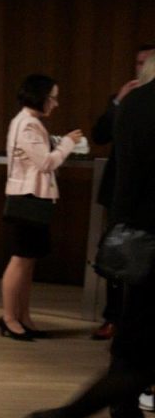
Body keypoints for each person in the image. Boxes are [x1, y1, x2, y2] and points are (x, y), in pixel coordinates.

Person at [25, 74, 155, 418]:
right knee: (137, 360)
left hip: (140, 242)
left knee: (134, 357)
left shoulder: (135, 103)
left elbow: (125, 177)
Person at [0, 74, 82, 340]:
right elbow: (46, 163)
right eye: (53, 98)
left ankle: (23, 316)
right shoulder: (27, 124)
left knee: (28, 262)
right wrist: (68, 143)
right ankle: (9, 318)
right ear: (40, 97)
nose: (55, 103)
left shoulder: (30, 122)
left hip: (33, 198)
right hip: (26, 198)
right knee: (20, 260)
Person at [90, 43, 155, 342]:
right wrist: (118, 102)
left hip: (143, 195)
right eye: (138, 63)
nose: (142, 68)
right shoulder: (125, 98)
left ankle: (133, 324)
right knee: (120, 253)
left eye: (147, 62)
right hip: (120, 189)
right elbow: (100, 135)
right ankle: (112, 317)